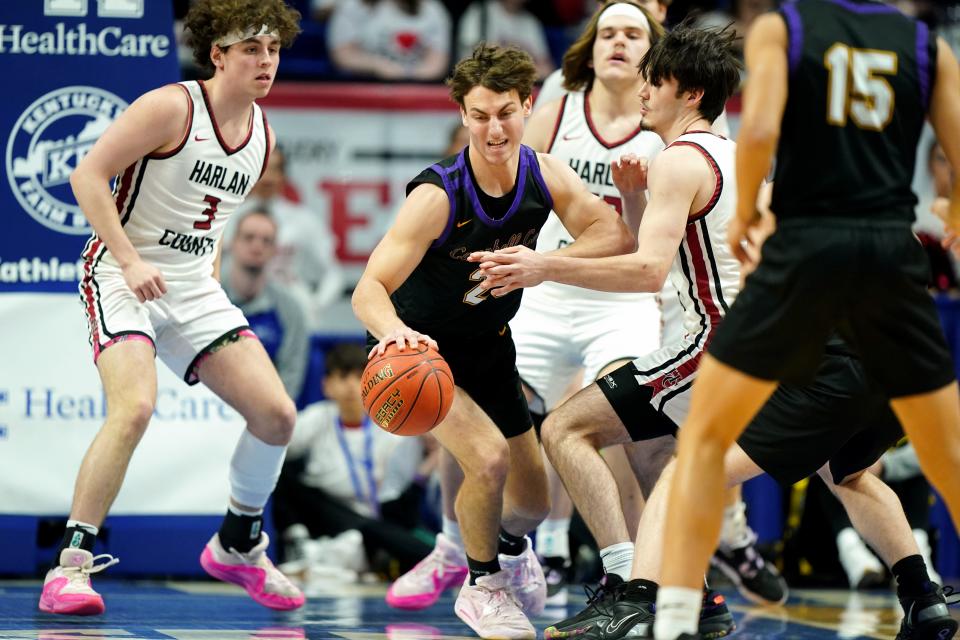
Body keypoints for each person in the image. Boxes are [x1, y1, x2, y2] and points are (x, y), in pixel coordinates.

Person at [650, 2, 960, 639]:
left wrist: (743, 218)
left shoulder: (783, 30)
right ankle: (923, 595)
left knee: (696, 452)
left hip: (815, 256)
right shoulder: (929, 46)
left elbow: (759, 131)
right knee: (885, 465)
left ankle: (675, 619)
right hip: (896, 259)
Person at [385, 1, 667, 613]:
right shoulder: (439, 193)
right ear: (461, 115)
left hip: (524, 318)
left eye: (506, 114)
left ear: (526, 107)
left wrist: (544, 264)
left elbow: (621, 237)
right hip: (433, 346)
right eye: (480, 116)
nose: (494, 129)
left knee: (546, 487)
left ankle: (531, 550)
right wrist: (394, 337)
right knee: (483, 459)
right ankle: (471, 568)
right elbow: (368, 288)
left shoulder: (646, 127)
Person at [470, 20, 744, 639]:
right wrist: (635, 204)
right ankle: (697, 599)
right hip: (740, 343)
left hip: (711, 346)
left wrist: (542, 265)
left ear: (692, 93)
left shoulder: (678, 157)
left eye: (658, 78)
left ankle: (628, 589)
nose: (644, 88)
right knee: (654, 450)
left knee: (567, 427)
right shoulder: (731, 152)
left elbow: (648, 272)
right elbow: (684, 255)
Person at [42, 0, 305, 616]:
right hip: (120, 271)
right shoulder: (172, 106)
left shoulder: (265, 133)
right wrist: (131, 259)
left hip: (191, 284)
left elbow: (207, 225)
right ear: (218, 54)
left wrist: (204, 286)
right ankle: (71, 567)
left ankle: (239, 544)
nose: (265, 61)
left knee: (277, 416)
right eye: (250, 49)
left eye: (272, 50)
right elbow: (87, 174)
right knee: (133, 408)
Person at [272, 343, 433, 575]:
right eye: (343, 377)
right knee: (276, 468)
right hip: (326, 511)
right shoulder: (318, 418)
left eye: (359, 377)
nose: (350, 386)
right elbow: (278, 448)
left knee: (383, 531)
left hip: (378, 514)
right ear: (327, 385)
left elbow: (402, 492)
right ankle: (296, 536)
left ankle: (419, 559)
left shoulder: (393, 426)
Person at [227, 147, 346, 317]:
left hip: (288, 315)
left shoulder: (304, 220)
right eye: (262, 169)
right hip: (235, 313)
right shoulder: (227, 217)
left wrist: (313, 305)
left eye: (274, 169)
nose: (267, 178)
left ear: (284, 176)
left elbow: (333, 274)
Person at [223, 209, 310, 403]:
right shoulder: (208, 297)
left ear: (275, 251)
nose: (257, 246)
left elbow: (291, 377)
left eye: (266, 241)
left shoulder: (291, 309)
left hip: (265, 416)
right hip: (208, 412)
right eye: (249, 237)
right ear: (232, 243)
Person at [328, 0, 451, 81]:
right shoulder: (353, 5)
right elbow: (343, 55)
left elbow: (436, 64)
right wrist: (377, 65)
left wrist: (406, 75)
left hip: (415, 91)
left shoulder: (432, 8)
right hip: (363, 87)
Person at [457, 0, 555, 79]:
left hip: (519, 89)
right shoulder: (481, 12)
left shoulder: (531, 22)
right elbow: (471, 58)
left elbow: (546, 70)